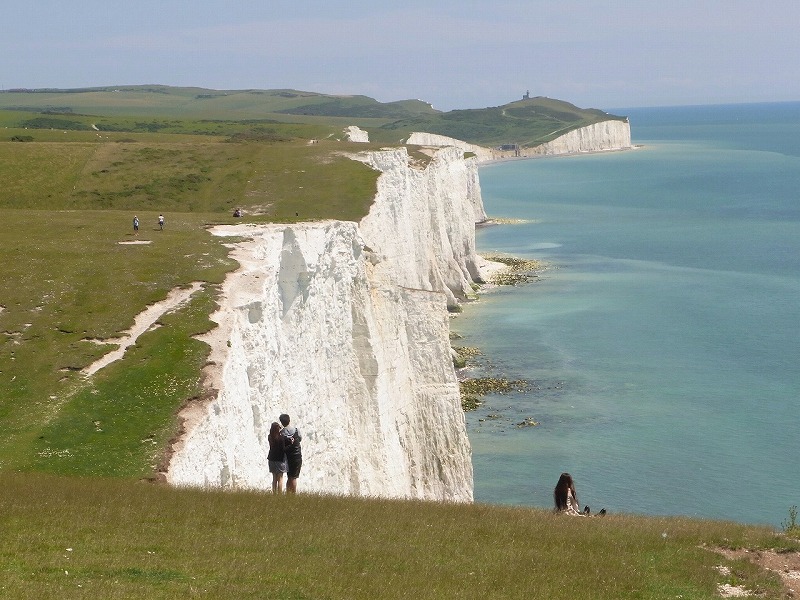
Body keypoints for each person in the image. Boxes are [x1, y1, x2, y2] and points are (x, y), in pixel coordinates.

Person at [279, 413, 302, 493]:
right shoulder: (296, 430)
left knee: (289, 476)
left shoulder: (281, 433)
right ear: (289, 420)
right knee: (293, 477)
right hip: (297, 456)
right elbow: (299, 439)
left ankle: (288, 494)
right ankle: (293, 494)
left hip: (288, 457)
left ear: (281, 422)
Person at [267, 421, 287, 493]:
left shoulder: (270, 437)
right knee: (280, 478)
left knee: (274, 478)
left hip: (271, 458)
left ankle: (274, 493)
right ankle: (280, 494)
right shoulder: (281, 438)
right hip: (280, 459)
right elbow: (283, 449)